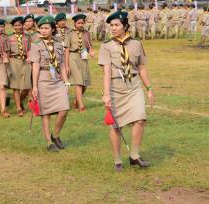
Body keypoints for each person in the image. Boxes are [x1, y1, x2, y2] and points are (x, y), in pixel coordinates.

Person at [98, 11, 154, 172]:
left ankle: (134, 155)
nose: (113, 28)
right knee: (116, 126)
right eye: (111, 25)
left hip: (134, 86)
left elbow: (142, 67)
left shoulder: (136, 44)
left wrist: (149, 88)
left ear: (125, 26)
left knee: (140, 119)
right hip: (116, 88)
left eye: (116, 25)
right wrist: (107, 94)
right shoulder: (106, 46)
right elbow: (106, 71)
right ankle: (117, 160)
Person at [29, 15, 70, 152]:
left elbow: (62, 64)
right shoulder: (36, 45)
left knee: (64, 109)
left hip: (57, 79)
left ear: (53, 29)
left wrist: (66, 82)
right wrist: (34, 86)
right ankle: (48, 142)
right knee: (45, 113)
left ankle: (55, 135)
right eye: (41, 28)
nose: (43, 30)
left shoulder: (59, 44)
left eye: (47, 28)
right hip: (43, 79)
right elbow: (35, 66)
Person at [64, 14, 94, 111]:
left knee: (84, 83)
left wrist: (91, 51)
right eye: (78, 23)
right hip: (73, 57)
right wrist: (66, 65)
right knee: (78, 82)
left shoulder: (86, 33)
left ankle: (77, 100)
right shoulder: (69, 33)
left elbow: (89, 46)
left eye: (82, 23)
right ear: (74, 23)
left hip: (83, 57)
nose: (81, 25)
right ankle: (81, 106)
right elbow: (67, 49)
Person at [7, 16, 31, 117]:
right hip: (14, 61)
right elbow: (7, 51)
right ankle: (18, 108)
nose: (18, 27)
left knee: (27, 86)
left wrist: (30, 57)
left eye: (20, 25)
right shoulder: (9, 38)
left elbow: (30, 49)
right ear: (13, 26)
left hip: (25, 61)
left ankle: (20, 100)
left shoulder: (27, 37)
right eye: (16, 25)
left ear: (23, 25)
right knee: (16, 86)